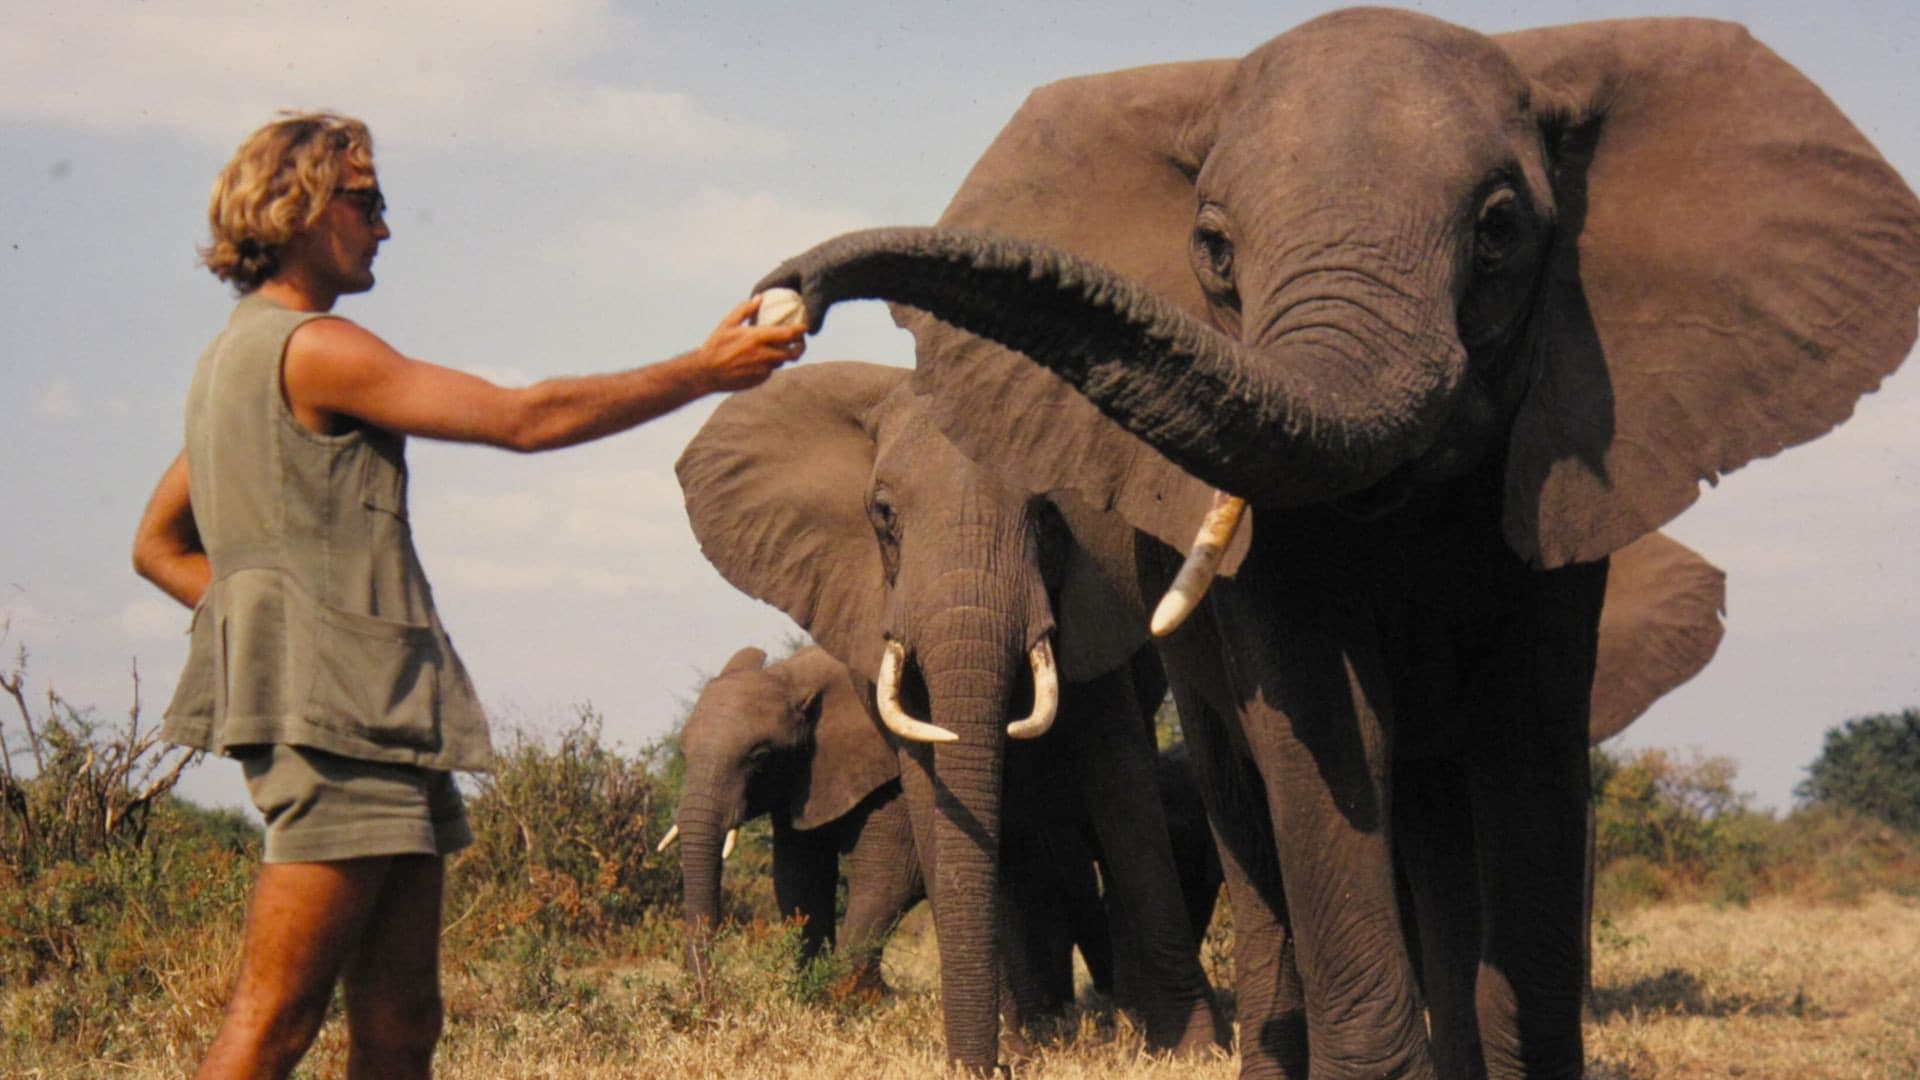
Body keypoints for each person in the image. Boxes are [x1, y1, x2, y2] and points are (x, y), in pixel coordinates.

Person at [130, 111, 805, 1080]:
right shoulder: (314, 349)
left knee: (403, 1023)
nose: (385, 228)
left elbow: (158, 546)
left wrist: (263, 626)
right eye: (368, 203)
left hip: (377, 720)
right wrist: (704, 371)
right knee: (274, 1020)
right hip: (339, 727)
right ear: (305, 208)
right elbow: (524, 419)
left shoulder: (226, 365)